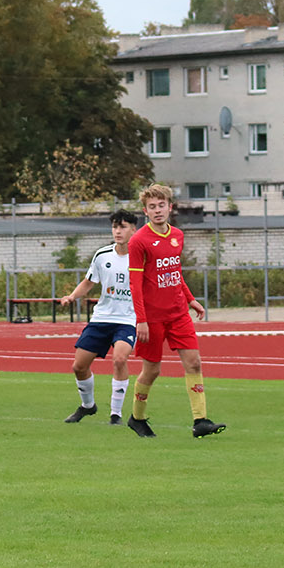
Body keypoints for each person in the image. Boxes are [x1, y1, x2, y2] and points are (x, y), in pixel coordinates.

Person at [126, 184, 224, 439]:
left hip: (178, 313)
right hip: (152, 318)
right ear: (145, 211)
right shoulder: (138, 241)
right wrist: (141, 320)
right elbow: (135, 284)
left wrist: (190, 299)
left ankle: (200, 421)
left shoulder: (177, 235)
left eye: (161, 205)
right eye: (152, 207)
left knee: (194, 362)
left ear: (170, 207)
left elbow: (174, 273)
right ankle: (137, 418)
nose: (157, 210)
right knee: (152, 370)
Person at [58, 210, 139, 425]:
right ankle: (88, 406)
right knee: (79, 366)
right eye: (114, 227)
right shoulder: (102, 255)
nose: (117, 231)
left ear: (134, 229)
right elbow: (88, 282)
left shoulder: (142, 257)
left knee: (119, 359)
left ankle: (116, 414)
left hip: (127, 320)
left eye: (122, 227)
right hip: (101, 318)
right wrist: (72, 296)